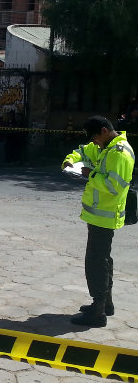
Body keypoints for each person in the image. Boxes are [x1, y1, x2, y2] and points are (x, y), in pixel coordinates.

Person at [62, 116, 135, 327]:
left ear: (104, 131)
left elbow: (114, 187)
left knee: (96, 262)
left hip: (106, 215)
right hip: (98, 215)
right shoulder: (105, 146)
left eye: (95, 137)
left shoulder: (119, 153)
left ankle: (98, 311)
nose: (93, 142)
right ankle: (106, 304)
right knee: (102, 259)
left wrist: (90, 174)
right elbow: (83, 151)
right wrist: (70, 160)